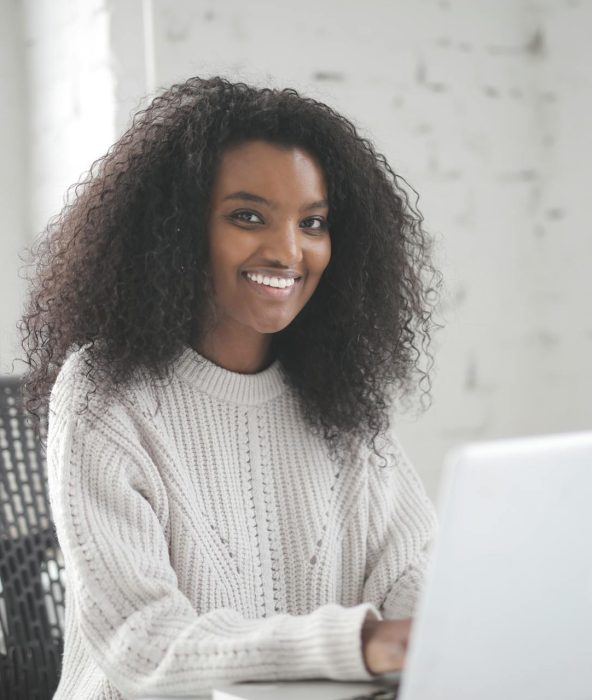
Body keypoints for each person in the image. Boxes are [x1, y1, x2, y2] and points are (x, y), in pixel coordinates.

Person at [21, 76, 440, 699]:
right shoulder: (105, 393)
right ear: (175, 231)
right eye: (248, 217)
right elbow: (142, 643)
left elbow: (413, 573)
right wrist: (355, 645)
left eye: (314, 222)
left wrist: (441, 625)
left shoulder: (342, 399)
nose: (288, 251)